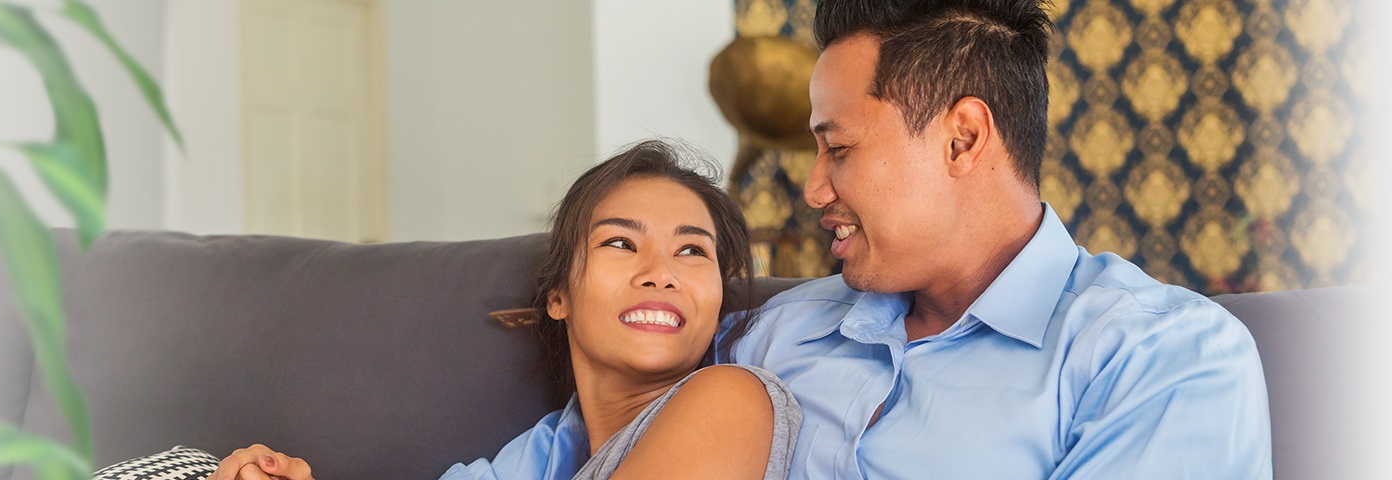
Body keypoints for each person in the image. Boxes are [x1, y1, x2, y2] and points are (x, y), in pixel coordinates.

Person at [717, 0, 1271, 478]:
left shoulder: (1161, 356)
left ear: (964, 139)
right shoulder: (764, 336)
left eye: (838, 150)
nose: (814, 190)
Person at [207, 140, 802, 480]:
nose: (660, 272)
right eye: (621, 242)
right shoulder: (542, 455)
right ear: (559, 297)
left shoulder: (733, 398)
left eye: (692, 250)